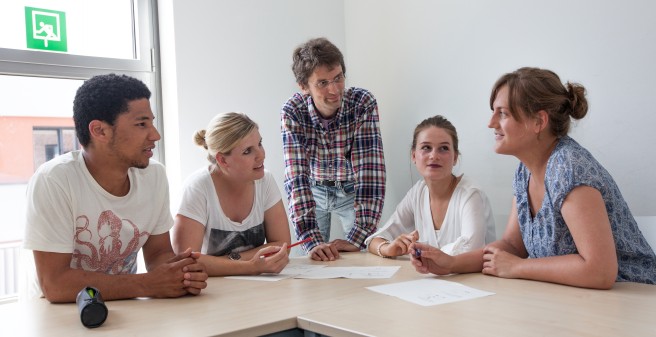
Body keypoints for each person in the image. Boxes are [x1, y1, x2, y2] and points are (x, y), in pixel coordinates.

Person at [410, 67, 656, 288]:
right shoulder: (524, 171)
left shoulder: (569, 167)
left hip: (635, 301)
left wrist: (518, 267)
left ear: (539, 121)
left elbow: (600, 271)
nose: (491, 123)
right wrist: (450, 264)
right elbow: (512, 246)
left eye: (502, 113)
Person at [23, 74, 208, 303]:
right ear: (100, 131)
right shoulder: (55, 180)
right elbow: (56, 285)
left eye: (152, 122)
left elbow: (159, 254)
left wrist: (183, 275)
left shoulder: (154, 176)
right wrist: (147, 284)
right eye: (142, 124)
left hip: (126, 308)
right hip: (61, 316)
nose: (155, 135)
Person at [281, 37, 386, 261]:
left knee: (363, 259)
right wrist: (310, 239)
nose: (335, 89)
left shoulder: (362, 103)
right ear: (303, 86)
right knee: (312, 261)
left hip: (352, 190)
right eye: (322, 83)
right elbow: (296, 176)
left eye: (338, 78)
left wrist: (360, 236)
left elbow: (371, 173)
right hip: (313, 192)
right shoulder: (293, 112)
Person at [172, 112, 291, 276]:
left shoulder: (265, 181)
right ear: (223, 160)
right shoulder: (197, 188)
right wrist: (253, 266)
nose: (261, 155)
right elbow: (185, 262)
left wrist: (223, 263)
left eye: (260, 144)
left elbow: (282, 245)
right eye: (248, 151)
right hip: (209, 292)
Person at [365, 115, 495, 258]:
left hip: (473, 280)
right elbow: (375, 239)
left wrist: (420, 252)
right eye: (426, 147)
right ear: (414, 156)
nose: (434, 156)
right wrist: (387, 248)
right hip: (429, 278)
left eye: (443, 148)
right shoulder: (417, 193)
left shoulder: (470, 194)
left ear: (455, 157)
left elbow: (471, 251)